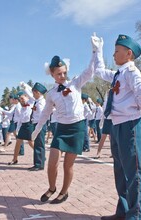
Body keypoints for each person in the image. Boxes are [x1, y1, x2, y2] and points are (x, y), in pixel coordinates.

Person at [92, 34, 141, 220]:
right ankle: (123, 211)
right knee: (120, 171)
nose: (114, 54)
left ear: (128, 53)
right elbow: (99, 71)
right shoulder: (119, 74)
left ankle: (136, 216)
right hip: (117, 125)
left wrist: (132, 110)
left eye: (116, 51)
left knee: (133, 173)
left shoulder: (132, 73)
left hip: (130, 125)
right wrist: (97, 51)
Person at [31, 51, 95, 204]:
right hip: (62, 129)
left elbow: (90, 71)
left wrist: (95, 52)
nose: (62, 76)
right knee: (52, 162)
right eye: (59, 73)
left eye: (64, 72)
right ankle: (52, 188)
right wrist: (37, 129)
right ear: (52, 74)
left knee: (68, 165)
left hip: (77, 127)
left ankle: (64, 192)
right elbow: (45, 113)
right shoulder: (51, 93)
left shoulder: (75, 83)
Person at [21, 82, 47, 171]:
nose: (33, 95)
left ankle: (39, 164)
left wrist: (37, 128)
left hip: (39, 125)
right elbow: (30, 95)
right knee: (37, 145)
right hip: (36, 124)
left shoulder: (41, 103)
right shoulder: (38, 101)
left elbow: (41, 117)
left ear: (38, 93)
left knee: (39, 145)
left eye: (34, 93)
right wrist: (25, 87)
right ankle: (38, 163)